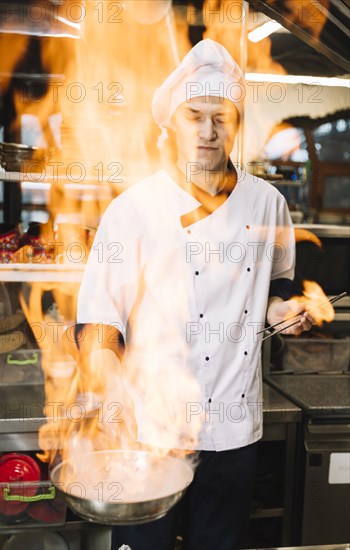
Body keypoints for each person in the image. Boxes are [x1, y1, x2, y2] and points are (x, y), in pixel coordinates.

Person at [75, 39, 313, 550]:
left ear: (236, 122)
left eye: (220, 116)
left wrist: (285, 310)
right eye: (194, 115)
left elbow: (275, 287)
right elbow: (98, 320)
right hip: (151, 432)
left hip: (233, 427)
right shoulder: (133, 210)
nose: (208, 131)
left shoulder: (268, 204)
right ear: (172, 123)